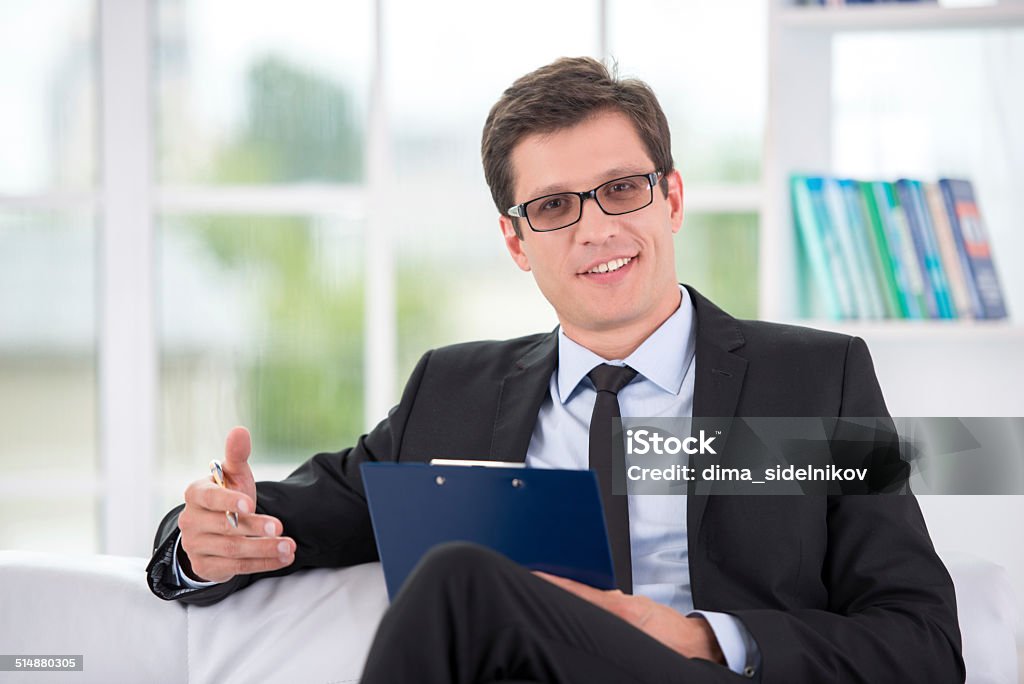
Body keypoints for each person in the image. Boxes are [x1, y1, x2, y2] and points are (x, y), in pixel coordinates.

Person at [147, 57, 964, 683]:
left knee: (461, 579)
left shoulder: (816, 380)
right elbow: (280, 519)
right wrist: (208, 540)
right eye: (553, 206)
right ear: (516, 240)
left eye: (621, 190)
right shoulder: (452, 392)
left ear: (671, 200)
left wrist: (695, 635)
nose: (594, 229)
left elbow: (922, 642)